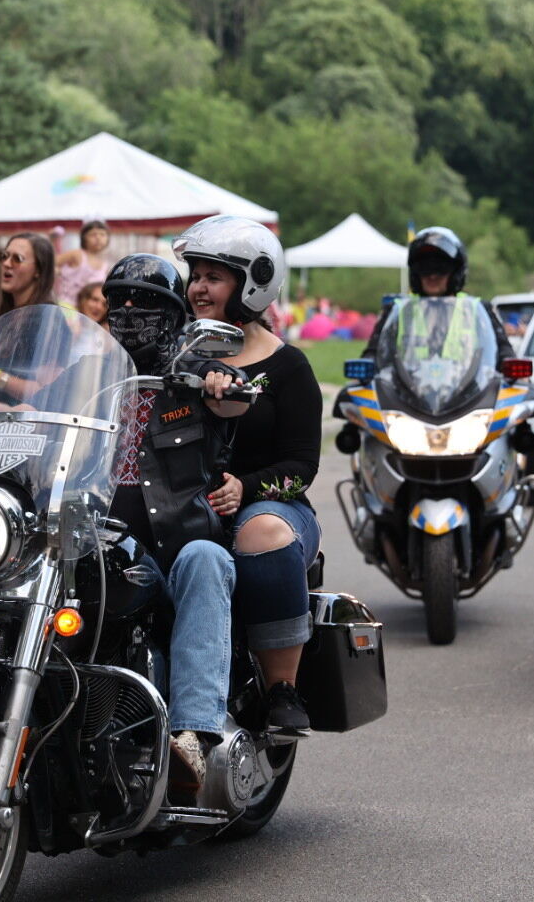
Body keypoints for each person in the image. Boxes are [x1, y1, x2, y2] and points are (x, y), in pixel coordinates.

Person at [102, 253, 249, 792]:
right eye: (119, 300)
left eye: (145, 302)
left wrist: (219, 385)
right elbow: (30, 398)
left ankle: (192, 737)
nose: (130, 310)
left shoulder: (196, 366)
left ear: (173, 312)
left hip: (173, 548)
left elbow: (235, 396)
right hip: (98, 543)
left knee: (206, 558)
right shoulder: (90, 372)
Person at [174, 215, 319, 734]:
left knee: (262, 531)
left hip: (272, 507)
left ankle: (282, 687)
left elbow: (302, 468)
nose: (198, 288)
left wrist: (246, 487)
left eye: (214, 276)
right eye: (195, 275)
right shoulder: (173, 356)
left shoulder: (289, 367)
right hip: (181, 504)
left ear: (252, 283)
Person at [362, 227, 514, 361]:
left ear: (456, 272)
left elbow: (503, 352)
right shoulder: (397, 309)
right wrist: (365, 369)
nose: (432, 276)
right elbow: (373, 354)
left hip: (470, 391)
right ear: (415, 273)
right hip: (404, 390)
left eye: (441, 268)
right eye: (425, 267)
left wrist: (512, 368)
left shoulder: (479, 309)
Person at [54, 218, 111, 306]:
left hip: (88, 310)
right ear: (84, 238)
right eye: (93, 235)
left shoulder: (105, 266)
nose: (98, 238)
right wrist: (58, 271)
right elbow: (51, 263)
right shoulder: (76, 254)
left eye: (102, 234)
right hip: (66, 305)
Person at [0, 231, 57, 316]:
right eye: (4, 256)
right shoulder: (5, 316)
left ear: (38, 270)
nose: (6, 263)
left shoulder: (48, 319)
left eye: (17, 259)